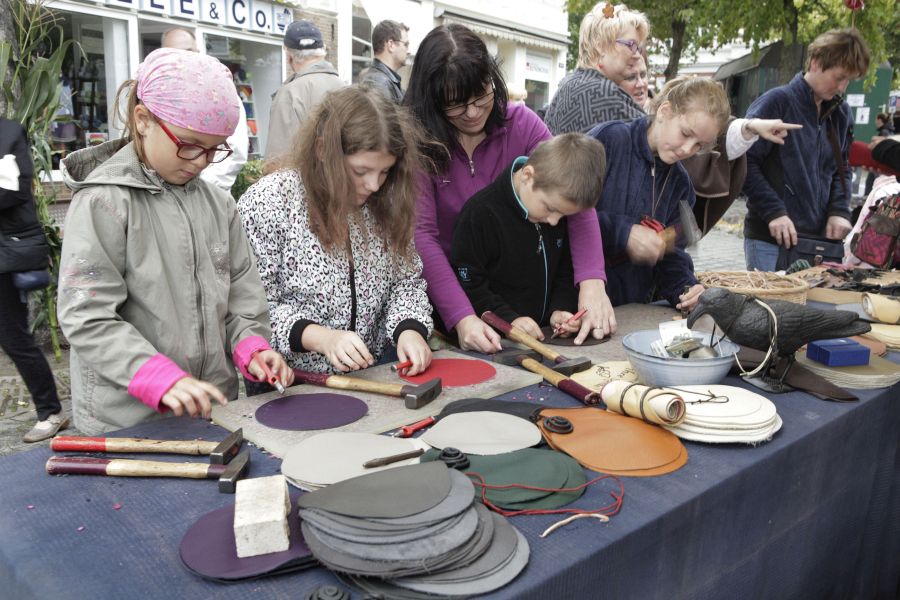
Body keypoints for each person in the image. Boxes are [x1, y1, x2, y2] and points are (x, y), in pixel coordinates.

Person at [57, 48, 293, 435]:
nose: (201, 161)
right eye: (189, 144)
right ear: (143, 120)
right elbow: (87, 315)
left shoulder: (219, 204)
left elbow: (241, 296)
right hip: (127, 420)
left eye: (214, 149)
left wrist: (252, 346)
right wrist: (155, 376)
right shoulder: (104, 202)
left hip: (210, 406)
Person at [404, 24, 615, 354]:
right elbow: (423, 237)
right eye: (456, 104)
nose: (473, 112)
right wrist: (462, 317)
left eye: (481, 96)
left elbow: (571, 190)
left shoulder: (523, 123)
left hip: (520, 307)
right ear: (431, 98)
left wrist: (591, 282)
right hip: (454, 297)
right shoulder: (420, 146)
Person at [239, 86, 433, 377]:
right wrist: (321, 338)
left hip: (371, 377)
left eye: (384, 171)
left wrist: (409, 329)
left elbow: (406, 282)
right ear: (322, 151)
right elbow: (250, 310)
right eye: (360, 171)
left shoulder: (386, 204)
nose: (374, 185)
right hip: (290, 383)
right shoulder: (270, 202)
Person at [587, 77, 731, 311]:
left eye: (699, 145)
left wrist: (686, 289)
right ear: (665, 111)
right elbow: (565, 213)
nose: (687, 149)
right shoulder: (609, 140)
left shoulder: (681, 185)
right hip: (573, 301)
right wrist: (623, 233)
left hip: (629, 311)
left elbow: (672, 257)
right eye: (685, 133)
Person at [450, 133, 606, 340]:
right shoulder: (479, 215)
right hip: (495, 343)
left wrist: (558, 310)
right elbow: (470, 286)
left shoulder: (551, 212)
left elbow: (564, 270)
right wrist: (509, 320)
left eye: (563, 215)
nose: (554, 221)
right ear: (527, 175)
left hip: (544, 337)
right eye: (550, 208)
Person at [742, 28, 871, 271]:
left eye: (848, 80)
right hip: (771, 241)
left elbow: (842, 168)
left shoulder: (841, 113)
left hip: (818, 244)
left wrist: (839, 210)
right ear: (816, 63)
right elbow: (743, 162)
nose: (842, 87)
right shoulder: (776, 102)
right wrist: (774, 212)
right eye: (839, 77)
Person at [0, 118, 68, 442]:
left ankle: (50, 411)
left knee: (14, 338)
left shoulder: (7, 133)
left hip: (5, 255)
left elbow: (10, 190)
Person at [160, 27, 249, 192]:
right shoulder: (155, 94)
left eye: (188, 52)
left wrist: (198, 188)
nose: (182, 60)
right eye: (173, 54)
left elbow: (235, 150)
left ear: (198, 53)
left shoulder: (221, 93)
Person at [543, 2, 648, 134]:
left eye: (638, 47)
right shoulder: (600, 91)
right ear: (600, 46)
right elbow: (653, 138)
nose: (637, 55)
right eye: (631, 44)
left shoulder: (571, 83)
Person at [266, 20, 343, 162]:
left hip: (307, 176)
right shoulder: (345, 88)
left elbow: (278, 161)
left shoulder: (290, 94)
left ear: (289, 56)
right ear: (322, 51)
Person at [358, 20, 409, 103]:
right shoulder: (379, 82)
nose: (408, 51)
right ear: (391, 45)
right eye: (406, 44)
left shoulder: (382, 80)